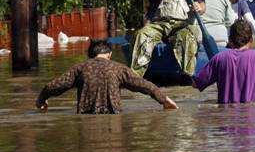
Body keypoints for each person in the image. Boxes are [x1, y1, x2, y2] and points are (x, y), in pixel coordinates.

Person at [36, 39, 178, 114]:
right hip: (114, 120)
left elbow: (54, 86)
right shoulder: (119, 69)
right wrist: (164, 100)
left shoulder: (79, 68)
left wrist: (42, 99)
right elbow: (144, 85)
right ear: (109, 54)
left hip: (85, 121)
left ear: (90, 55)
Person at [193, 20, 255, 104]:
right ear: (251, 40)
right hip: (250, 117)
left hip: (224, 117)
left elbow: (197, 84)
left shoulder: (219, 59)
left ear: (230, 40)